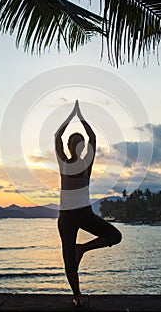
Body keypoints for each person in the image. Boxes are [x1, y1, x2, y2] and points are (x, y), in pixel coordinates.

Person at [55, 100, 122, 307]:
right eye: (72, 143)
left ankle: (82, 248)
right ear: (68, 147)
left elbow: (92, 137)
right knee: (68, 260)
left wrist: (80, 117)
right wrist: (71, 115)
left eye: (78, 143)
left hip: (83, 213)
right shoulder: (64, 163)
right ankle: (77, 296)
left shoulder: (86, 164)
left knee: (115, 236)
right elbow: (57, 136)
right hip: (66, 217)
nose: (74, 146)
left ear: (82, 147)